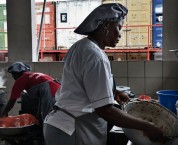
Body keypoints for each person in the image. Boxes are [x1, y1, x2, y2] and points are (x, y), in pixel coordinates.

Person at [43, 3, 163, 145]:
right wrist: (146, 126)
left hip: (59, 124)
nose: (120, 34)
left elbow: (82, 82)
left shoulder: (81, 46)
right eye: (118, 28)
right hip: (72, 129)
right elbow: (105, 110)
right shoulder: (95, 55)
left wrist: (113, 91)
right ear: (105, 27)